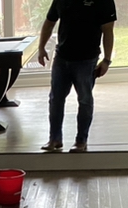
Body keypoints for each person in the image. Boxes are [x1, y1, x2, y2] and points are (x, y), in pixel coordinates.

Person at [38, 0, 117, 153]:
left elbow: (108, 30)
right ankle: (54, 139)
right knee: (55, 99)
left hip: (87, 61)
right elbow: (49, 23)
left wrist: (107, 60)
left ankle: (81, 141)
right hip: (62, 58)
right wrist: (41, 48)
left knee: (85, 100)